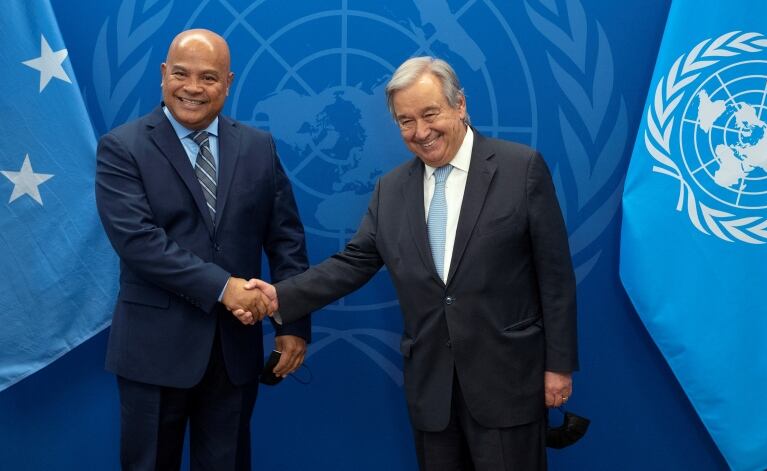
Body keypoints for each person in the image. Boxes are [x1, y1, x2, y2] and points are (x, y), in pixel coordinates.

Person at [237, 56, 578, 470]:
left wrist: (558, 367)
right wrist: (278, 296)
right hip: (432, 391)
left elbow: (555, 277)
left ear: (460, 105)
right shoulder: (391, 190)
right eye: (405, 121)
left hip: (508, 383)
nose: (420, 132)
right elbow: (353, 263)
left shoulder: (520, 169)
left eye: (430, 114)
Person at [95, 29, 310, 470]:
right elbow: (139, 242)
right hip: (152, 354)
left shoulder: (259, 147)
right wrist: (225, 288)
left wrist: (295, 322)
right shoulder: (122, 148)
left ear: (228, 82)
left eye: (208, 77)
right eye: (181, 74)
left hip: (233, 356)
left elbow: (286, 238)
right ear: (162, 75)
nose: (192, 88)